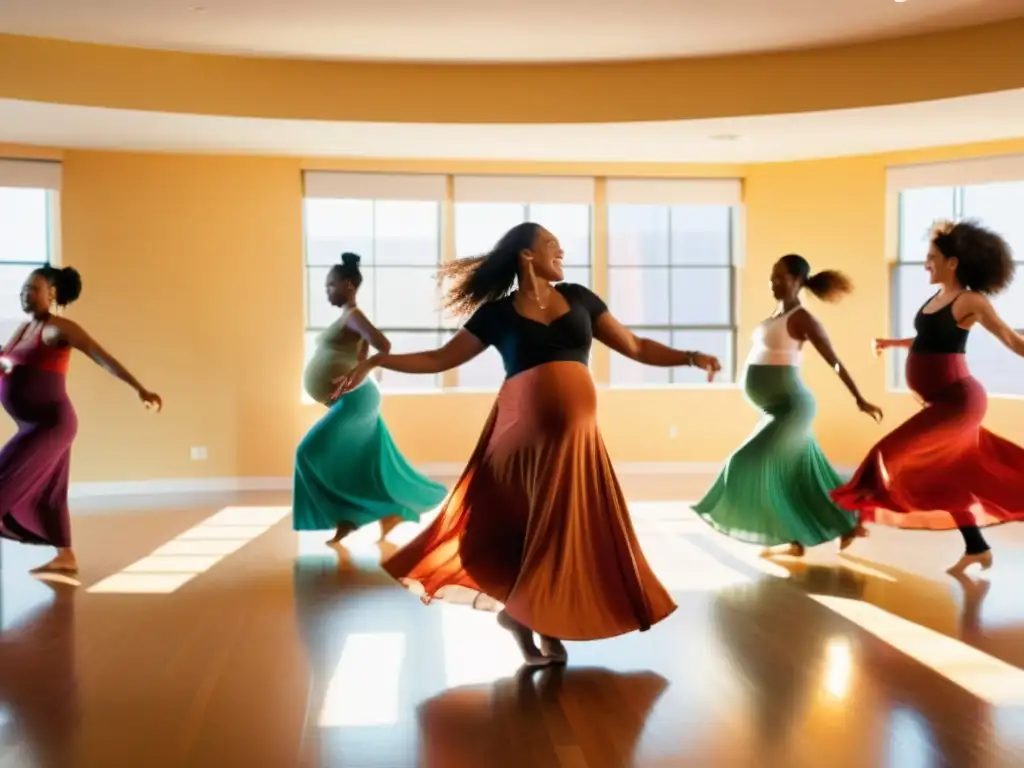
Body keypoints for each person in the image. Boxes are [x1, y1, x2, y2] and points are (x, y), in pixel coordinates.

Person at [332, 222, 722, 666]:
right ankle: (527, 617)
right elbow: (440, 359)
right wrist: (378, 360)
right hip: (518, 436)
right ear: (527, 255)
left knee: (563, 529)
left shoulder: (579, 298)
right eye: (553, 246)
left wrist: (689, 357)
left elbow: (634, 345)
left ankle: (534, 616)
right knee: (527, 526)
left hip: (576, 442)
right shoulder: (496, 314)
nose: (562, 253)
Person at [832, 220, 1024, 575]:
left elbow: (1013, 342)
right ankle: (977, 547)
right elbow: (931, 340)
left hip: (960, 402)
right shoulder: (938, 297)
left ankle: (856, 518)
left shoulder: (971, 300)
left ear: (953, 262)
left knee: (887, 454)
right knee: (948, 473)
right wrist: (893, 344)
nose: (925, 264)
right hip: (942, 401)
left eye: (932, 257)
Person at [693, 255, 882, 557]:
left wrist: (858, 398)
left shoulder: (802, 318)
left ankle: (840, 522)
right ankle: (818, 533)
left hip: (792, 409)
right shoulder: (775, 314)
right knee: (802, 476)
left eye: (780, 277)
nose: (773, 282)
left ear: (797, 281)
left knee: (745, 462)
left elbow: (833, 359)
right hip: (772, 409)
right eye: (772, 276)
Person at [0, 265, 161, 573]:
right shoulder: (21, 330)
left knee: (5, 477)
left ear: (52, 293)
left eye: (33, 288)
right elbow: (12, 366)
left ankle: (63, 555)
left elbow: (101, 356)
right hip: (32, 425)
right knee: (52, 494)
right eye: (23, 288)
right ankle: (66, 557)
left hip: (52, 424)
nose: (25, 293)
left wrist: (140, 389)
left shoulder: (60, 327)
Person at [292, 253, 448, 545]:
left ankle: (348, 516)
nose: (327, 291)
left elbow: (384, 345)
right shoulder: (346, 318)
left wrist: (364, 366)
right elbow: (362, 347)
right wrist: (359, 359)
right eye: (326, 286)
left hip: (356, 398)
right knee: (361, 463)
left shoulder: (353, 315)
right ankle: (374, 515)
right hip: (350, 399)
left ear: (348, 285)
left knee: (307, 453)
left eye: (332, 285)